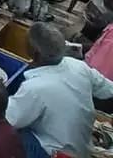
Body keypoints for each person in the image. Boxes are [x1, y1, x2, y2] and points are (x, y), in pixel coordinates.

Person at [7, 22, 113, 158]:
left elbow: (8, 119)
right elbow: (108, 89)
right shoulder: (78, 66)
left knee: (4, 132)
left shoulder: (35, 88)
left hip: (58, 153)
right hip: (81, 148)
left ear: (36, 54)